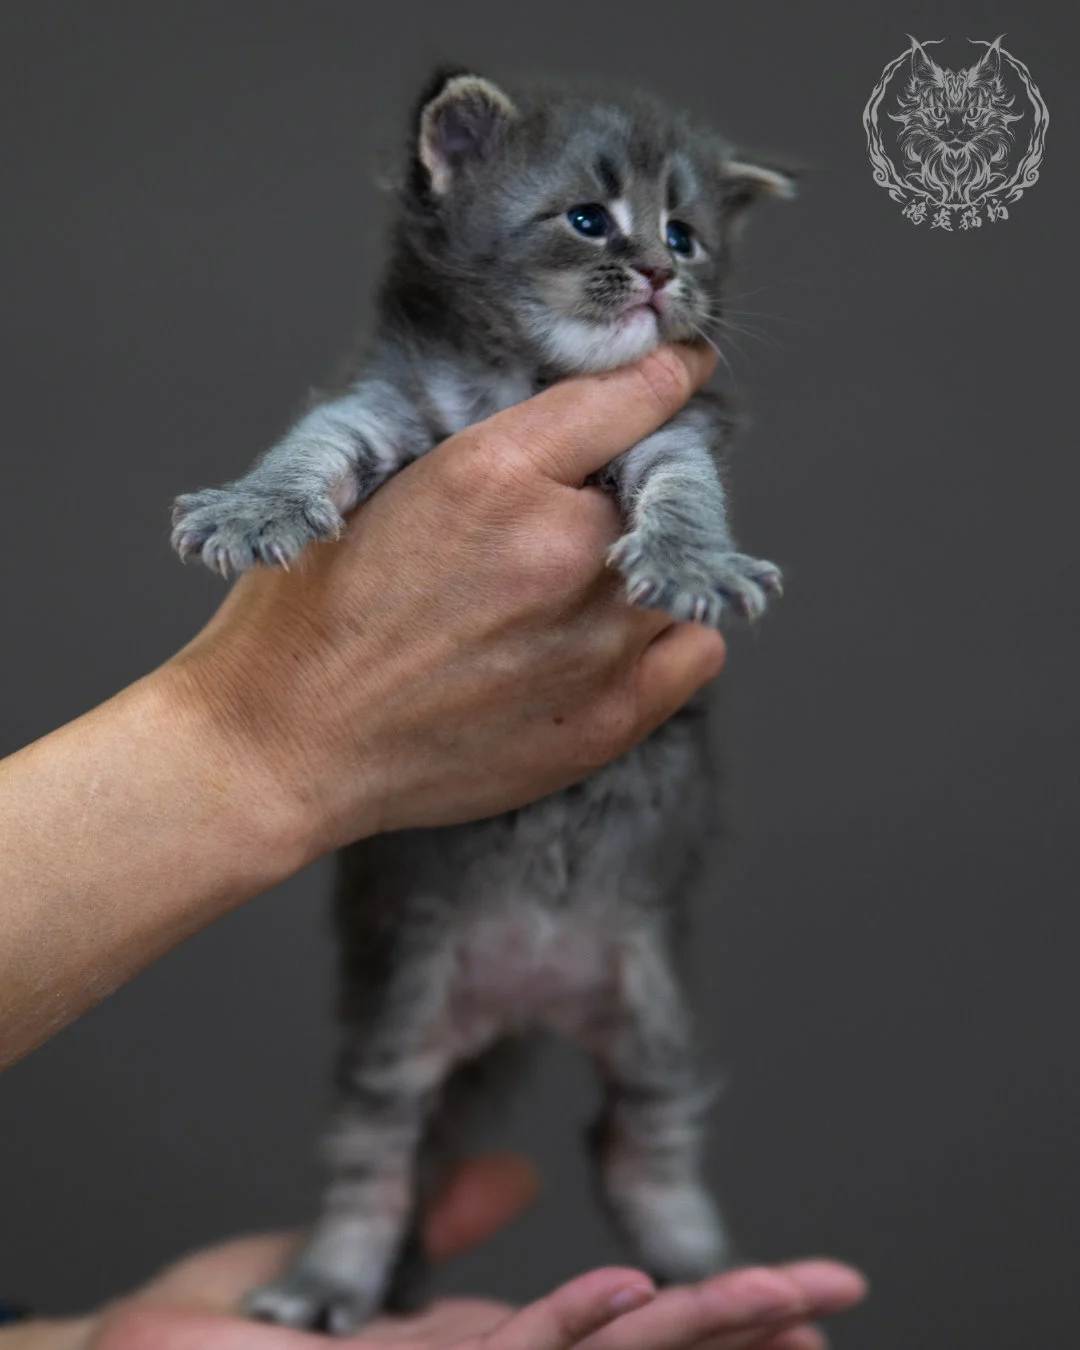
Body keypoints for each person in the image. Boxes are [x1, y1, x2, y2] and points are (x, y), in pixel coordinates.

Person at [0, 346, 867, 1348]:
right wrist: (253, 731)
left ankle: (651, 1188)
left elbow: (675, 458)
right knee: (398, 1085)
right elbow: (354, 429)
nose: (652, 271)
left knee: (647, 1077)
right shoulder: (427, 379)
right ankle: (366, 1234)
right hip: (454, 910)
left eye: (682, 239)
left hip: (604, 895)